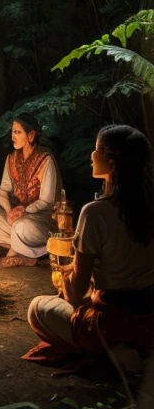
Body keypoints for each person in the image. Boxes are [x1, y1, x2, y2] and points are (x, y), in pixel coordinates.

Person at [26, 124, 154, 361]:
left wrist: (64, 271)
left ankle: (112, 350)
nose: (91, 155)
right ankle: (130, 349)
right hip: (148, 322)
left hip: (111, 322)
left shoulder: (95, 212)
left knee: (37, 307)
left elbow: (75, 294)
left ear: (112, 162)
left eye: (97, 150)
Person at [0, 112, 61, 267]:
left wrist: (23, 211)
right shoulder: (11, 159)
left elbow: (47, 201)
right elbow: (2, 192)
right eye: (12, 132)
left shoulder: (45, 160)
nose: (13, 136)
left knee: (22, 227)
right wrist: (10, 211)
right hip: (17, 217)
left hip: (40, 219)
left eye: (17, 132)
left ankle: (20, 250)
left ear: (31, 135)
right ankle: (21, 248)